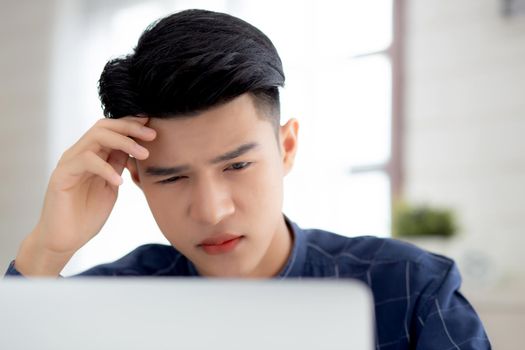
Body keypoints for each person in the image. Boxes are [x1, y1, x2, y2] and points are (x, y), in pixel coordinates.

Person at [4, 9, 490, 349]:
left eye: (236, 166)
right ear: (133, 177)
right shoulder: (105, 304)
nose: (212, 211)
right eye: (172, 179)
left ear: (287, 148)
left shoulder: (412, 290)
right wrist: (47, 250)